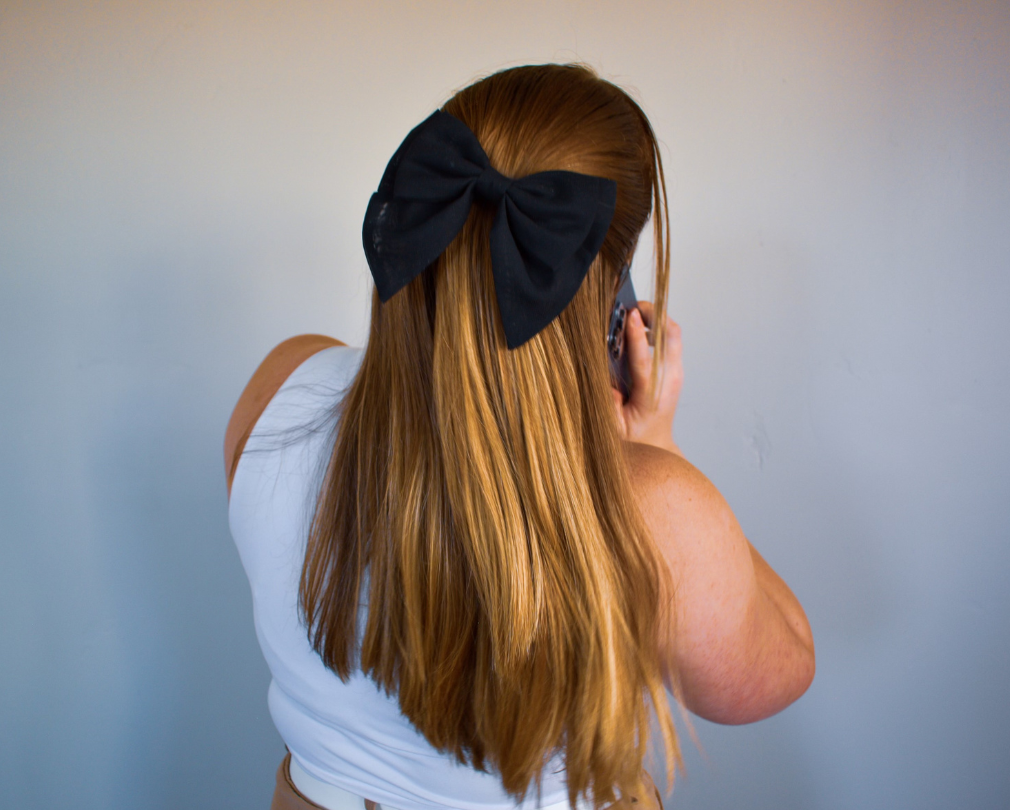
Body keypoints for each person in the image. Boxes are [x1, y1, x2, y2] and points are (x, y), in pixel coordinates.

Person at [225, 64, 814, 810]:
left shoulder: (283, 384)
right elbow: (781, 667)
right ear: (609, 300)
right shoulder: (657, 508)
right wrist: (655, 445)